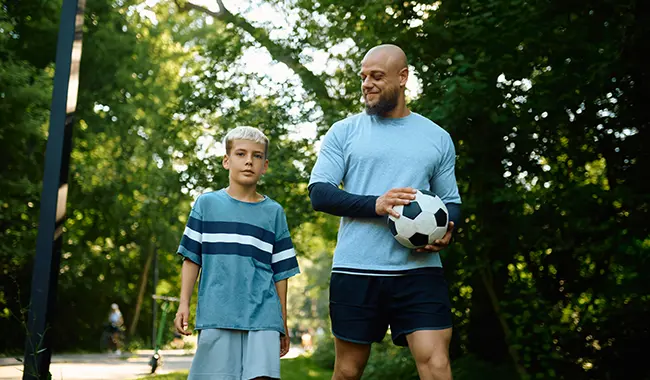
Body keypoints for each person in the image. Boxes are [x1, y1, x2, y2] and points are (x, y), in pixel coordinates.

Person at [308, 44, 462, 380]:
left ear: (403, 77)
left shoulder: (436, 137)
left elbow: (451, 200)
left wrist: (448, 227)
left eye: (376, 76)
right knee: (348, 371)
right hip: (356, 269)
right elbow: (320, 194)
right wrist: (376, 204)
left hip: (419, 272)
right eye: (363, 77)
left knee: (436, 365)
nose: (367, 84)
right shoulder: (344, 132)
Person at [174, 126, 300, 380]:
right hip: (217, 312)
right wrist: (184, 303)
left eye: (256, 156)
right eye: (241, 154)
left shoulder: (274, 212)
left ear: (264, 165)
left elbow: (281, 273)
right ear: (226, 161)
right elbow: (191, 258)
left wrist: (282, 322)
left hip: (263, 315)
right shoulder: (206, 204)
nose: (248, 161)